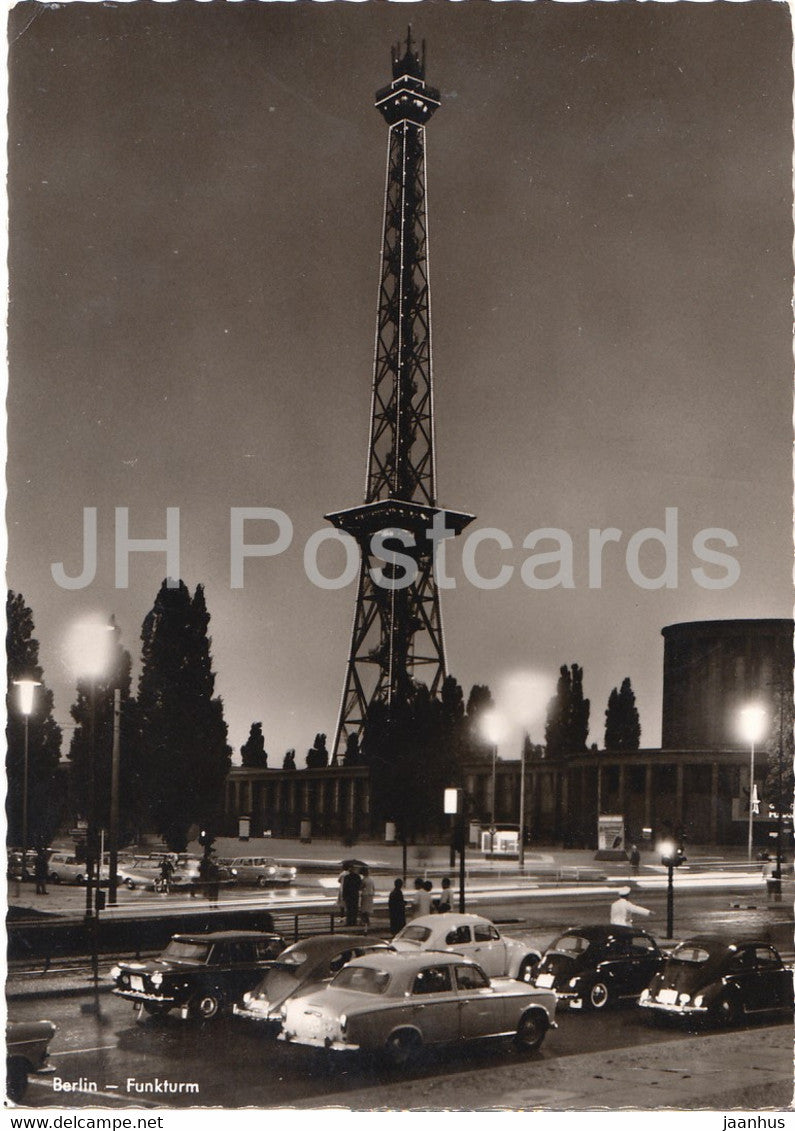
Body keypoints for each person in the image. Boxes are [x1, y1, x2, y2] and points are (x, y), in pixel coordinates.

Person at [341, 863, 363, 927]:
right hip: (355, 894)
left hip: (348, 895)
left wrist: (344, 896)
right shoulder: (357, 877)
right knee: (354, 908)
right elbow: (359, 886)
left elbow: (344, 887)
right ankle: (354, 921)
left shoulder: (346, 877)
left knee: (349, 909)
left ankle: (349, 922)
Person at [359, 866, 375, 933]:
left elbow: (360, 887)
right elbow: (373, 888)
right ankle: (367, 921)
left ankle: (365, 921)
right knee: (368, 908)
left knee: (364, 908)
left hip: (365, 894)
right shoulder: (371, 879)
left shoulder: (364, 880)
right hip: (370, 894)